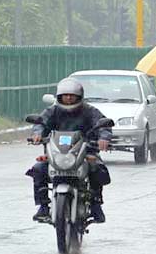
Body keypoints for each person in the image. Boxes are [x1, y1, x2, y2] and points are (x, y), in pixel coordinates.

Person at [27, 78, 112, 223]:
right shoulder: (53, 111)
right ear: (59, 96)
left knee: (96, 168)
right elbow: (41, 123)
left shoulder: (89, 111)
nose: (68, 98)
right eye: (65, 95)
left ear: (79, 96)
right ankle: (43, 206)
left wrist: (103, 138)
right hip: (57, 152)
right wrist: (37, 134)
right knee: (39, 169)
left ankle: (96, 205)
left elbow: (103, 125)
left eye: (72, 95)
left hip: (85, 151)